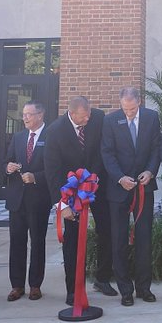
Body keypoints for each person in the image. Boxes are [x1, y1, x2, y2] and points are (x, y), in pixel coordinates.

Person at [45, 96, 116, 305]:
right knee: (73, 239)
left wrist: (92, 178)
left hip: (96, 186)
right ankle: (73, 288)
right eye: (84, 117)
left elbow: (102, 151)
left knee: (107, 230)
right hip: (71, 192)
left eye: (89, 115)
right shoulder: (55, 131)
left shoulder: (98, 119)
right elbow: (52, 170)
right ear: (72, 113)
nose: (88, 119)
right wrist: (62, 204)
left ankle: (102, 279)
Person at [99, 86, 162, 306]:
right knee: (119, 240)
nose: (129, 113)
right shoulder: (110, 120)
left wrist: (150, 171)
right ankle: (125, 289)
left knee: (144, 238)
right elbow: (107, 153)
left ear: (139, 102)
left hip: (144, 187)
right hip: (119, 189)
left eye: (133, 109)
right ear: (120, 104)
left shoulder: (152, 118)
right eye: (125, 109)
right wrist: (119, 178)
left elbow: (156, 148)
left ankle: (144, 288)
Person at [3, 101, 52, 302]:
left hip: (38, 199)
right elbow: (5, 161)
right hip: (17, 199)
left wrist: (36, 177)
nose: (24, 118)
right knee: (16, 242)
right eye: (23, 114)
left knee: (37, 242)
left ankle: (35, 285)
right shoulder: (18, 136)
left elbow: (55, 167)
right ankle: (16, 285)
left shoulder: (51, 136)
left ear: (40, 115)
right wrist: (8, 167)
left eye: (29, 114)